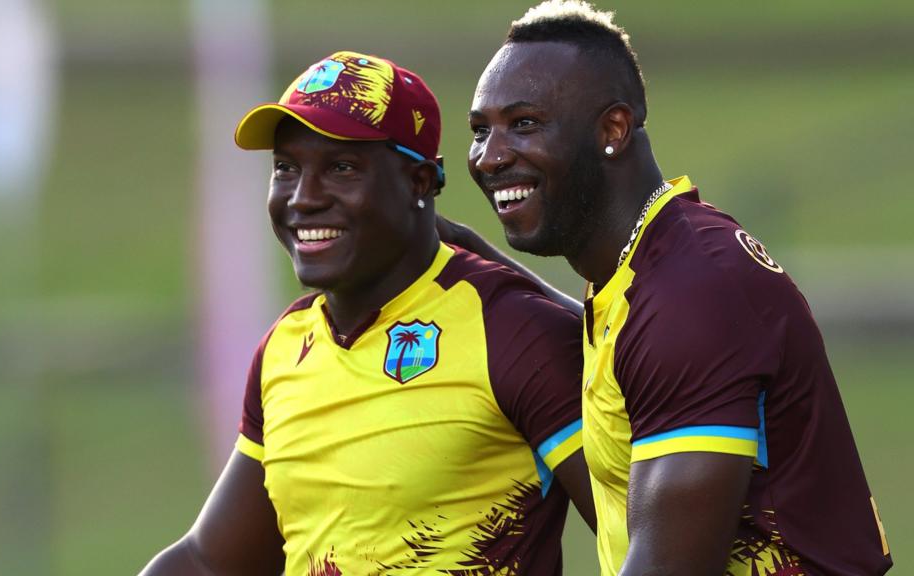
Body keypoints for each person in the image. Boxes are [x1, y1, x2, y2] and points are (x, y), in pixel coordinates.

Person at [447, 1, 893, 574]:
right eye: (480, 130)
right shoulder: (646, 270)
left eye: (524, 124)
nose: (491, 156)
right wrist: (477, 265)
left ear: (612, 130)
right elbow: (634, 360)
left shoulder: (694, 293)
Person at [139, 50, 594, 576]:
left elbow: (645, 538)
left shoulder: (514, 331)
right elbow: (208, 562)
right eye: (286, 168)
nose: (303, 198)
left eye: (341, 167)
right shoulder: (287, 346)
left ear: (419, 182)